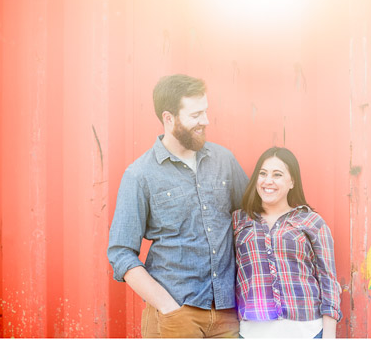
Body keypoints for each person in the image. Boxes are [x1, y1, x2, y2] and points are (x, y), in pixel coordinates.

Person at [108, 74, 249, 338]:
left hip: (228, 313)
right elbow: (121, 253)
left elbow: (253, 218)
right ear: (169, 118)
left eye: (205, 112)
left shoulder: (223, 160)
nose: (205, 121)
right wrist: (167, 307)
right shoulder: (140, 175)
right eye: (195, 115)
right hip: (175, 314)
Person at [233, 147, 341, 338]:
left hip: (307, 331)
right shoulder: (239, 220)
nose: (268, 181)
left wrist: (329, 335)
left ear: (292, 182)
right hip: (252, 333)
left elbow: (328, 281)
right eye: (263, 174)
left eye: (277, 175)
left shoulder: (312, 222)